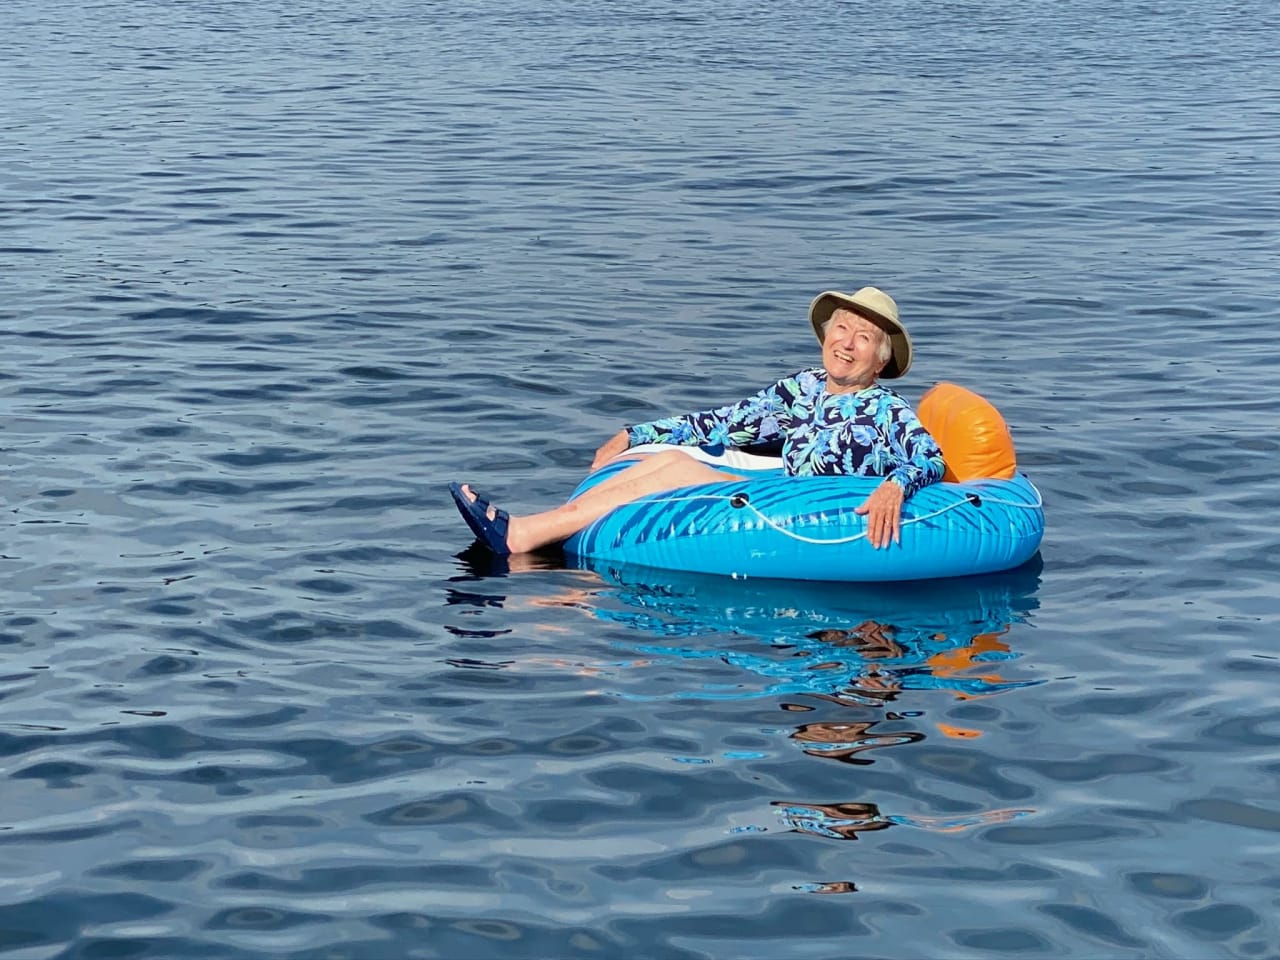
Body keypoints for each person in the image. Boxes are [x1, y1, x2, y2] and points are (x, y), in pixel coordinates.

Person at [450, 286, 945, 556]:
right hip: (781, 485)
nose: (846, 342)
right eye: (842, 327)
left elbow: (930, 458)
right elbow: (726, 423)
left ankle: (523, 535)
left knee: (680, 473)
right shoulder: (805, 388)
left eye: (864, 338)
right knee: (666, 457)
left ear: (880, 360)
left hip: (811, 505)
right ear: (825, 335)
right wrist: (635, 433)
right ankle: (548, 529)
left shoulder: (886, 410)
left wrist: (896, 486)